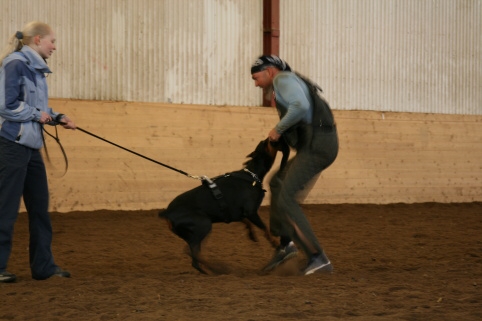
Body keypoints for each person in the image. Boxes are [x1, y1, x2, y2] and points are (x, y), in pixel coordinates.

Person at [0, 21, 76, 283]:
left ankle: (43, 267)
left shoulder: (36, 70)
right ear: (37, 40)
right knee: (5, 208)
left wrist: (58, 117)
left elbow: (37, 108)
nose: (54, 47)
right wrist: (38, 115)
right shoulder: (15, 64)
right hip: (11, 145)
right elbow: (6, 106)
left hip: (31, 147)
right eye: (52, 41)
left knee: (40, 209)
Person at [250, 55, 339, 275]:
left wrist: (278, 129)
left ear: (270, 72)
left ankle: (318, 258)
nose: (255, 83)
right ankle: (286, 244)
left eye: (256, 77)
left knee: (287, 197)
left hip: (318, 145)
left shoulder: (282, 80)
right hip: (319, 142)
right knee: (278, 183)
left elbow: (300, 106)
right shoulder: (290, 80)